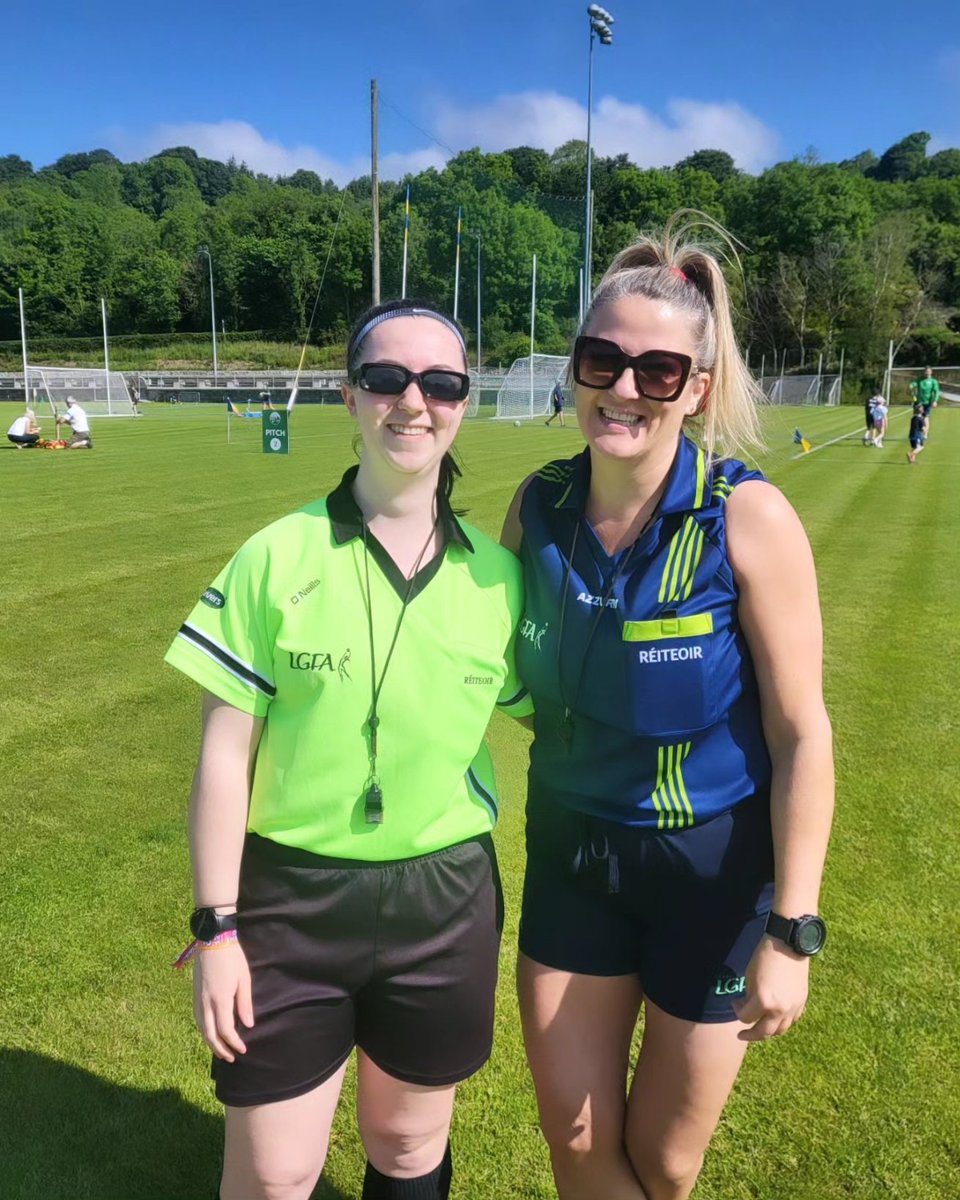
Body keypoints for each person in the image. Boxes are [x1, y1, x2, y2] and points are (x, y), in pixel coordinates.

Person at [165, 297, 533, 1200]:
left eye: (441, 383)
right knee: (278, 1174)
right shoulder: (273, 557)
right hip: (291, 901)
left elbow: (565, 717)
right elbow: (222, 762)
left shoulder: (499, 576)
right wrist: (217, 929)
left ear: (464, 403)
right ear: (349, 396)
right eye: (386, 377)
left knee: (408, 1151)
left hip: (444, 901)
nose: (413, 401)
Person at [501, 216, 834, 1200]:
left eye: (657, 370)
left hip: (715, 878)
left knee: (665, 1162)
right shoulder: (540, 506)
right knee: (577, 1145)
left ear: (694, 387)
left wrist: (795, 929)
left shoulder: (746, 516)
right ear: (576, 367)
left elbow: (802, 730)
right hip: (570, 855)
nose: (623, 388)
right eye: (603, 359)